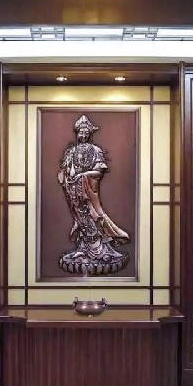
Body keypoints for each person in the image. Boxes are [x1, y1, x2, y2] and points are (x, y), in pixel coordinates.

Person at [58, 114, 130, 275]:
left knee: (94, 216)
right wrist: (68, 176)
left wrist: (83, 175)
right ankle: (84, 248)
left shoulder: (96, 151)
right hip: (74, 191)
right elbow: (65, 172)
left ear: (90, 134)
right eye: (81, 132)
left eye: (86, 133)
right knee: (81, 218)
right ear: (77, 133)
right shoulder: (71, 152)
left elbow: (98, 172)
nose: (83, 135)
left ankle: (100, 250)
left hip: (88, 191)